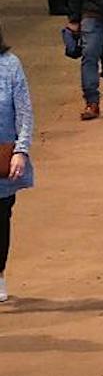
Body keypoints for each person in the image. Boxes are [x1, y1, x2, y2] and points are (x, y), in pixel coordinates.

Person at [0, 25, 33, 303]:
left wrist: (20, 151)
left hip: (2, 157)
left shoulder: (10, 66)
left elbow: (23, 111)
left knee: (0, 219)